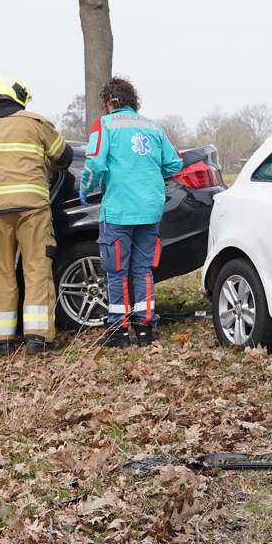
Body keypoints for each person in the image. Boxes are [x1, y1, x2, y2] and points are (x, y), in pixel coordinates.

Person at [0, 77, 72, 354]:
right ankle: (37, 339)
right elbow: (64, 157)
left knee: (0, 274)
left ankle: (2, 342)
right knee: (36, 270)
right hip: (32, 210)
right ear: (19, 100)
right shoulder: (35, 123)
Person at [81, 77, 181, 347]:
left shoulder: (105, 125)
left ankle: (120, 331)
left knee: (116, 270)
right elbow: (174, 164)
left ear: (110, 100)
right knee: (142, 269)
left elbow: (95, 165)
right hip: (150, 210)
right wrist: (148, 174)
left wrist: (85, 188)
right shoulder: (154, 127)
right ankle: (145, 330)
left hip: (119, 211)